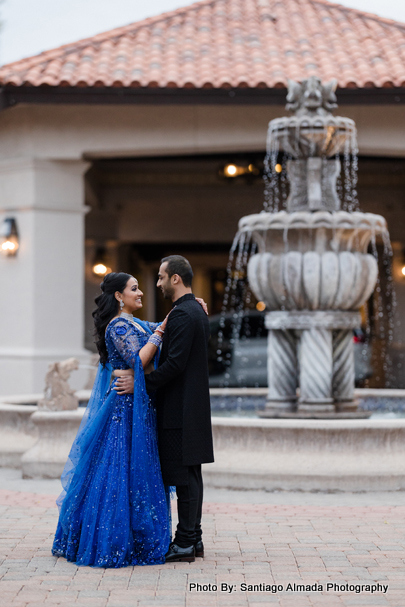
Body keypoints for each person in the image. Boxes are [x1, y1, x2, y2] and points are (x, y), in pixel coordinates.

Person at [51, 272, 172, 567]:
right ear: (118, 296)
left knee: (135, 472)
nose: (141, 292)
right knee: (117, 472)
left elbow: (156, 330)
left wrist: (185, 307)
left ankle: (136, 536)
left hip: (137, 408)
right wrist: (162, 330)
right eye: (134, 289)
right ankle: (112, 542)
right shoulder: (118, 326)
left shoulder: (135, 323)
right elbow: (137, 359)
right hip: (121, 411)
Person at [116, 255, 214, 563]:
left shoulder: (185, 313)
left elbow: (174, 365)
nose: (156, 283)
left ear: (175, 278)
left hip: (182, 409)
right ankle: (192, 538)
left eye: (160, 277)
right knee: (190, 475)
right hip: (188, 406)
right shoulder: (189, 311)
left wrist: (141, 384)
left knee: (184, 477)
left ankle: (185, 541)